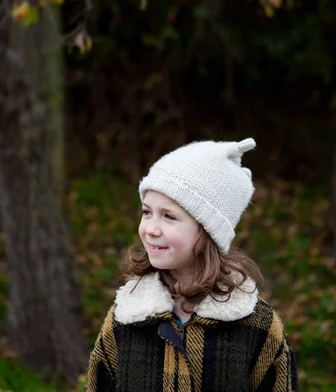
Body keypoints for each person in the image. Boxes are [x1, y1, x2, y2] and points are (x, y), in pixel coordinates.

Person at [86, 138, 299, 392]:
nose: (151, 229)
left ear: (208, 231)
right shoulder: (125, 320)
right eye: (146, 212)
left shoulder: (257, 327)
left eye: (169, 216)